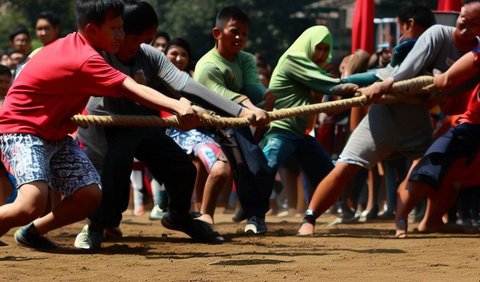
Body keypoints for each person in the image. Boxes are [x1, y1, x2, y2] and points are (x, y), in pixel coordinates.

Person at [0, 0, 205, 250]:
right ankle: (30, 225)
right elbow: (132, 88)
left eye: (122, 28)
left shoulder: (76, 43)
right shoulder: (86, 58)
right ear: (91, 29)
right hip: (22, 130)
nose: (122, 34)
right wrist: (179, 106)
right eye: (115, 29)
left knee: (90, 196)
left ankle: (32, 233)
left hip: (54, 134)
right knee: (30, 204)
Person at [74, 0, 258, 249]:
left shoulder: (148, 54)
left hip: (144, 124)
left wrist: (242, 111)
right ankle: (96, 226)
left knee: (183, 169)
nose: (118, 36)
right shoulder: (99, 53)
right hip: (109, 125)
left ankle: (179, 216)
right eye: (115, 30)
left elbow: (187, 86)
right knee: (116, 167)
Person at [297, 1, 479, 236]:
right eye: (463, 17)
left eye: (474, 23)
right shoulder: (437, 34)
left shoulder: (476, 52)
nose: (465, 24)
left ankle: (413, 220)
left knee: (427, 171)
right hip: (388, 105)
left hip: (417, 118)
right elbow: (409, 68)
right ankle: (309, 218)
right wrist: (386, 84)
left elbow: (454, 88)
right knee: (346, 167)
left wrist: (435, 99)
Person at [261, 25, 360, 222]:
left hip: (301, 134)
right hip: (280, 130)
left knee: (329, 174)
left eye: (325, 49)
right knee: (265, 169)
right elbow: (333, 86)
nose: (322, 54)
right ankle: (254, 215)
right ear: (308, 45)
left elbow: (326, 106)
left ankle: (332, 210)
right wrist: (361, 86)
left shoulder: (316, 71)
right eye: (318, 48)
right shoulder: (294, 60)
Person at [194, 6, 274, 234]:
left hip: (240, 123)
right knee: (236, 165)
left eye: (244, 34)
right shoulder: (207, 66)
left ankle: (255, 216)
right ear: (217, 33)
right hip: (211, 124)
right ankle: (202, 215)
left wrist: (265, 96)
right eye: (234, 31)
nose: (239, 37)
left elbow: (251, 85)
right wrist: (250, 107)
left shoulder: (246, 59)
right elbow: (222, 95)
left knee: (258, 166)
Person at [395, 45, 480, 238]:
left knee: (451, 178)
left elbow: (446, 81)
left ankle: (428, 220)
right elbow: (445, 80)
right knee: (427, 169)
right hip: (467, 125)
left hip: (466, 124)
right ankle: (402, 219)